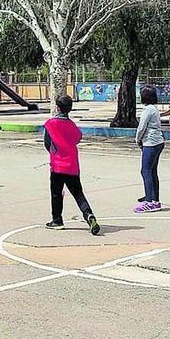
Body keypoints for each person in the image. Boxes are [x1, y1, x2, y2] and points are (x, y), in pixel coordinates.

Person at [43, 94, 100, 235]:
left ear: (57, 107)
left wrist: (54, 152)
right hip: (72, 165)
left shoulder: (50, 124)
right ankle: (89, 215)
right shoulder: (71, 125)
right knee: (78, 193)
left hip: (57, 165)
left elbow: (47, 143)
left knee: (57, 193)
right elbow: (77, 138)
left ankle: (57, 220)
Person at [134, 86, 165, 212]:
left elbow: (141, 127)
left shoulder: (147, 110)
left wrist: (137, 139)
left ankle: (149, 201)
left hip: (151, 143)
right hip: (158, 142)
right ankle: (153, 197)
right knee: (152, 171)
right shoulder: (154, 109)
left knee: (145, 171)